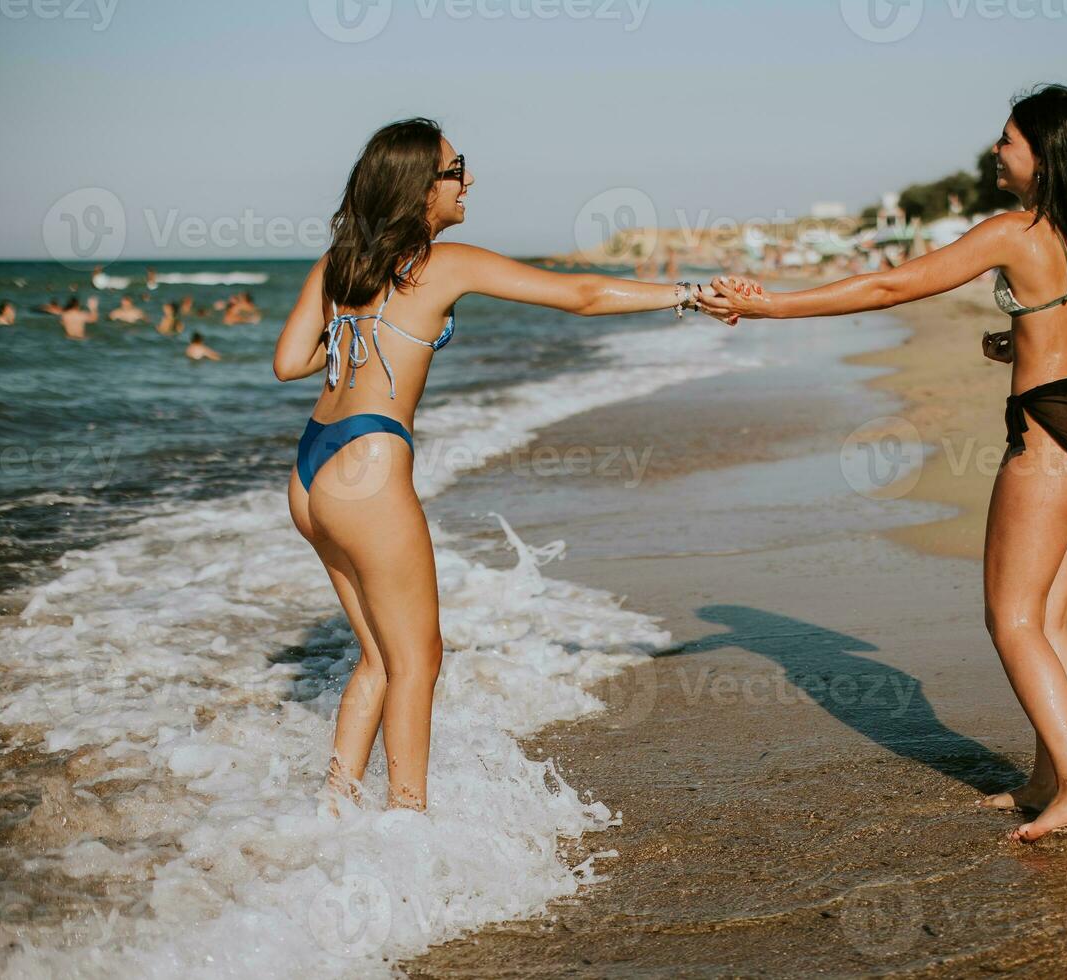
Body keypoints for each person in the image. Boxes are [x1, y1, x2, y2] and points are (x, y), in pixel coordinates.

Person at [703, 85, 1067, 843]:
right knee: (1049, 619)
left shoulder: (1017, 231)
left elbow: (891, 284)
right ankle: (1047, 776)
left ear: (1042, 156)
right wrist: (1028, 343)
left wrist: (772, 305)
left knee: (1009, 619)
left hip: (1048, 437)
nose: (996, 150)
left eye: (1008, 139)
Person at [272, 118, 726, 813]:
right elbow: (581, 295)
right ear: (421, 188)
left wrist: (359, 338)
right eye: (457, 170)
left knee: (378, 658)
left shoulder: (336, 265)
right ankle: (407, 822)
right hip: (368, 466)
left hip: (311, 473)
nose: (469, 179)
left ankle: (333, 808)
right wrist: (688, 294)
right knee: (419, 659)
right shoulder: (444, 264)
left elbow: (288, 363)